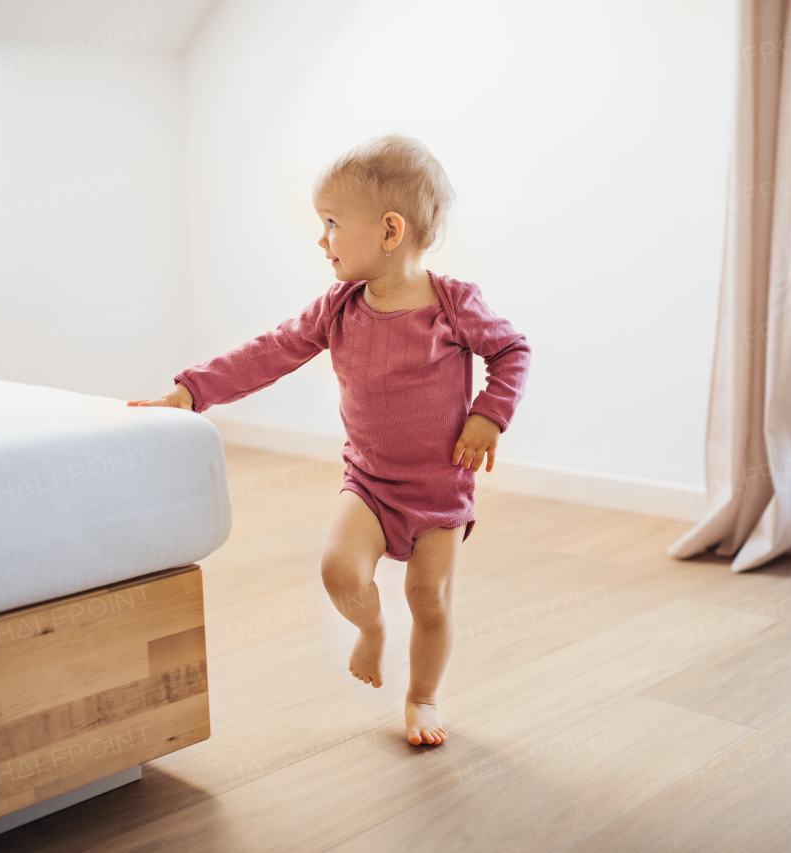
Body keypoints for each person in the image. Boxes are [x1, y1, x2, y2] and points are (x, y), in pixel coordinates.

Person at [129, 134, 530, 746]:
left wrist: (489, 414)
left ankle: (422, 697)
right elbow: (270, 351)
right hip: (369, 481)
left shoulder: (453, 306)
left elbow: (511, 351)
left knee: (429, 598)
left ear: (390, 231)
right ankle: (371, 630)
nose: (322, 240)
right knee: (340, 571)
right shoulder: (338, 307)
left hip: (440, 488)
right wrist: (193, 391)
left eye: (333, 224)